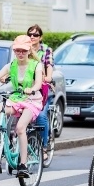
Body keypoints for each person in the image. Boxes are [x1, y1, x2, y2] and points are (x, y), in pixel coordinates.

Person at [0, 35, 43, 178]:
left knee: (20, 128)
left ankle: (23, 165)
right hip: (16, 98)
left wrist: (32, 89)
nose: (20, 53)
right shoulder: (11, 65)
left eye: (23, 51)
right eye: (17, 50)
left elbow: (38, 83)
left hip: (32, 100)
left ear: (29, 51)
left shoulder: (36, 65)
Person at [27, 24, 55, 164]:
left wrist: (48, 77)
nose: (32, 37)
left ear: (40, 37)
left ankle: (44, 147)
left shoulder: (46, 50)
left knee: (41, 116)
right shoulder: (24, 48)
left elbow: (49, 65)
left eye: (35, 35)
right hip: (26, 88)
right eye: (30, 34)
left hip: (41, 89)